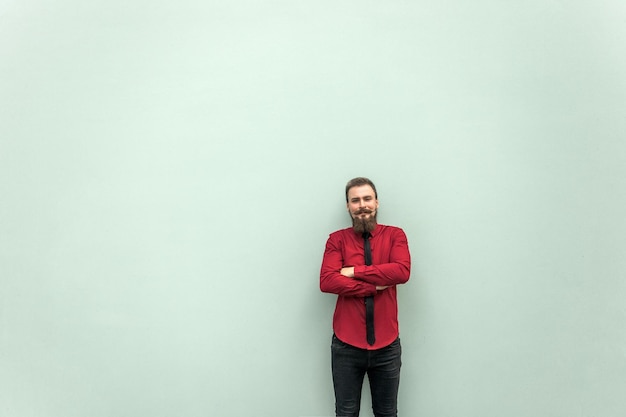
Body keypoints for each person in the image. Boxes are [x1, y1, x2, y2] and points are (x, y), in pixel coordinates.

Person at [320, 177, 411, 417]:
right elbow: (327, 280)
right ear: (348, 206)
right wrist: (372, 287)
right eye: (355, 200)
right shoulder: (336, 240)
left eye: (367, 199)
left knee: (387, 412)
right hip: (346, 346)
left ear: (377, 203)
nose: (362, 205)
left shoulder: (395, 236)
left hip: (387, 347)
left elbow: (401, 271)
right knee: (346, 412)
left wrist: (354, 272)